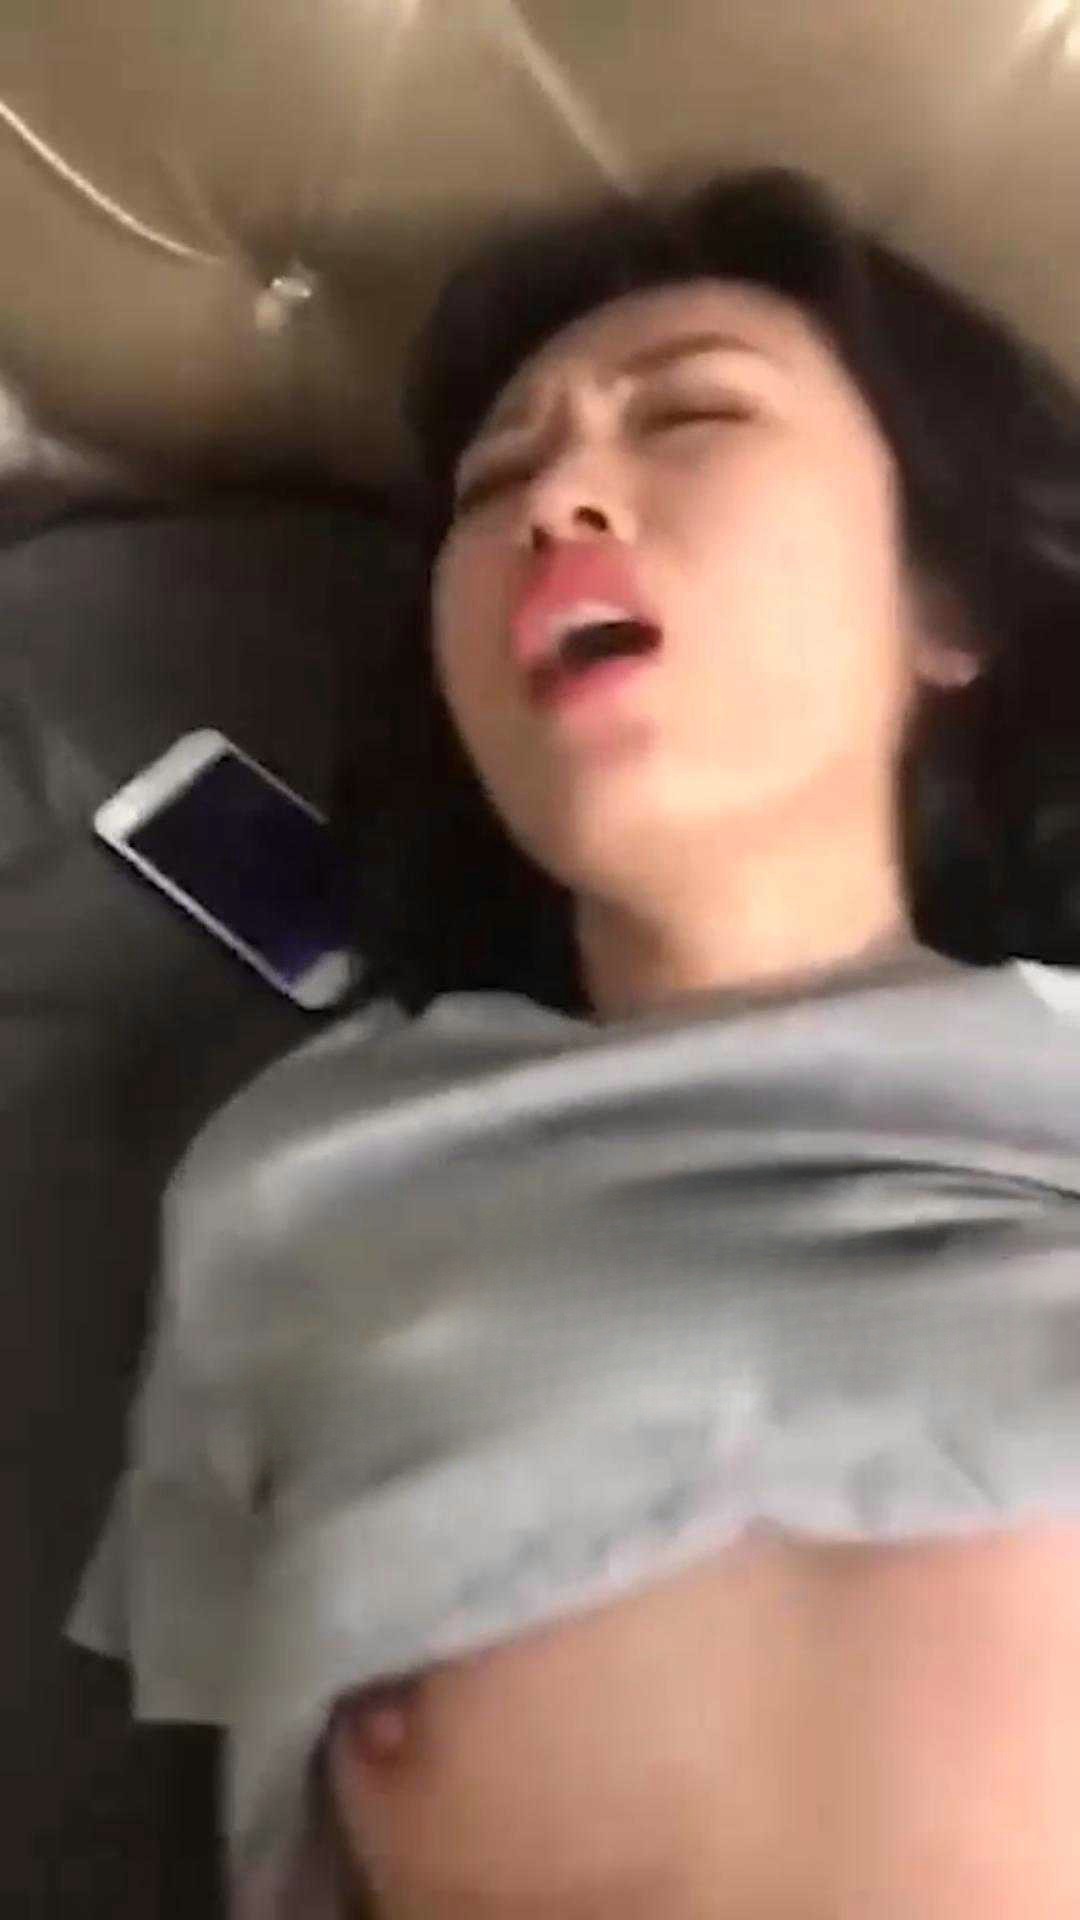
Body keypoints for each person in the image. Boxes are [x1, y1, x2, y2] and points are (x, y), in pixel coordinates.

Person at [71, 167, 1080, 1917]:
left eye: (690, 414)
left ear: (946, 610)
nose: (558, 501)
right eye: (491, 486)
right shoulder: (293, 1179)